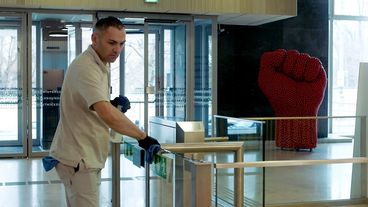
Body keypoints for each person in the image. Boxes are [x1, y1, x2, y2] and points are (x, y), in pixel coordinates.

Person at [47, 16, 160, 207]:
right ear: (94, 39)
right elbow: (106, 114)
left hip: (85, 156)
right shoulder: (86, 67)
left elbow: (95, 106)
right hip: (79, 159)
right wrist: (143, 137)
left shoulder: (101, 64)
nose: (117, 50)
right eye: (112, 43)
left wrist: (112, 103)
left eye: (122, 44)